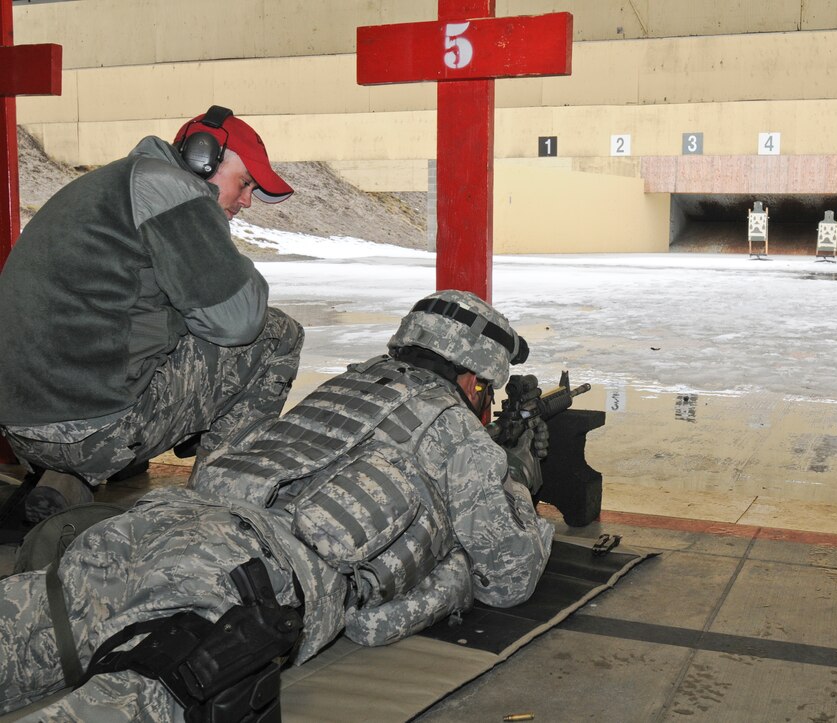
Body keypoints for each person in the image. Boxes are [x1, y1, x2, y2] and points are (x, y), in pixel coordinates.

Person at [0, 290, 554, 721]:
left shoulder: (347, 386)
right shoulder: (461, 436)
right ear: (471, 381)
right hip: (230, 589)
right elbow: (508, 579)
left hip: (147, 530)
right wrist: (519, 484)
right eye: (485, 390)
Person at [0, 105, 303, 522]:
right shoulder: (171, 190)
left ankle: (64, 479)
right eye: (245, 182)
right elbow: (239, 319)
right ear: (204, 158)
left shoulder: (117, 181)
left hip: (20, 425)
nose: (247, 200)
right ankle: (222, 509)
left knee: (156, 330)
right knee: (277, 334)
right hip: (91, 429)